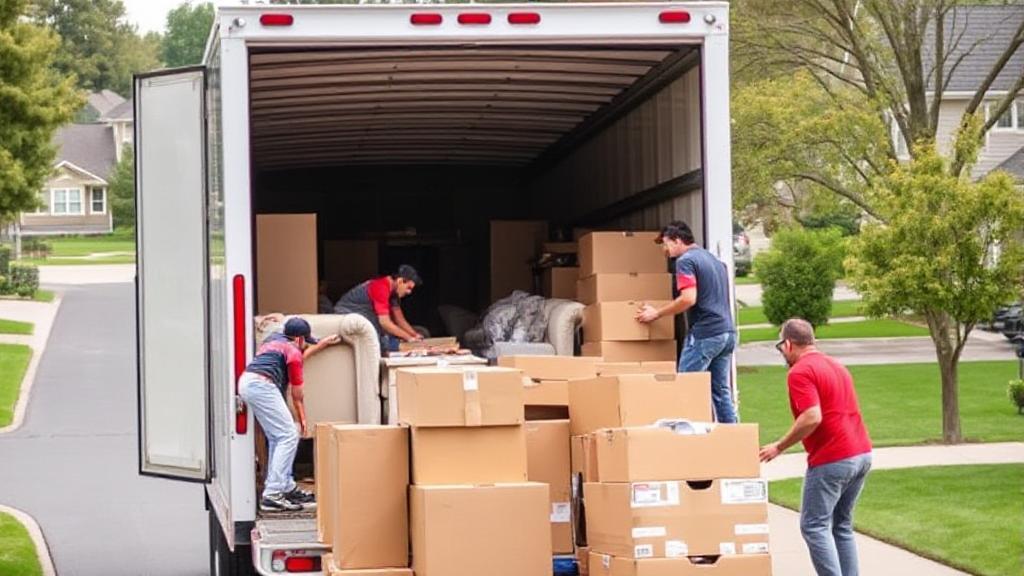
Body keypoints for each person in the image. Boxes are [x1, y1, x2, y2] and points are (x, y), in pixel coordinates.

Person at [759, 319, 872, 576]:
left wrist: (779, 446)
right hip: (861, 453)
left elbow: (812, 416)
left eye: (780, 347)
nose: (782, 353)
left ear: (788, 344)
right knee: (841, 526)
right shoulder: (837, 366)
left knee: (814, 526)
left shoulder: (800, 372)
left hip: (833, 458)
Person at [636, 220, 739, 422]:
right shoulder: (714, 260)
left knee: (685, 387)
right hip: (727, 333)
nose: (664, 250)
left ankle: (688, 441)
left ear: (677, 241)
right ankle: (733, 439)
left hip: (706, 333)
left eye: (666, 244)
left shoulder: (686, 261)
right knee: (720, 392)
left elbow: (688, 299)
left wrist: (656, 313)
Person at [240, 316, 341, 512]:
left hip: (250, 382)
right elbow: (297, 394)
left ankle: (285, 486)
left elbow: (285, 332)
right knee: (288, 434)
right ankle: (273, 494)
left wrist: (320, 345)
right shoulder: (293, 352)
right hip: (262, 385)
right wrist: (303, 419)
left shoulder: (275, 338)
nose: (305, 346)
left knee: (278, 436)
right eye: (306, 341)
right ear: (299, 339)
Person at [334, 264, 423, 353]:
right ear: (400, 281)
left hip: (365, 319)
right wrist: (408, 338)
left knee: (390, 340)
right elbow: (385, 323)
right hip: (345, 318)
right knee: (384, 343)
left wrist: (414, 335)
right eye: (408, 288)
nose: (409, 292)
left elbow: (400, 319)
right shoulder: (381, 287)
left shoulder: (394, 294)